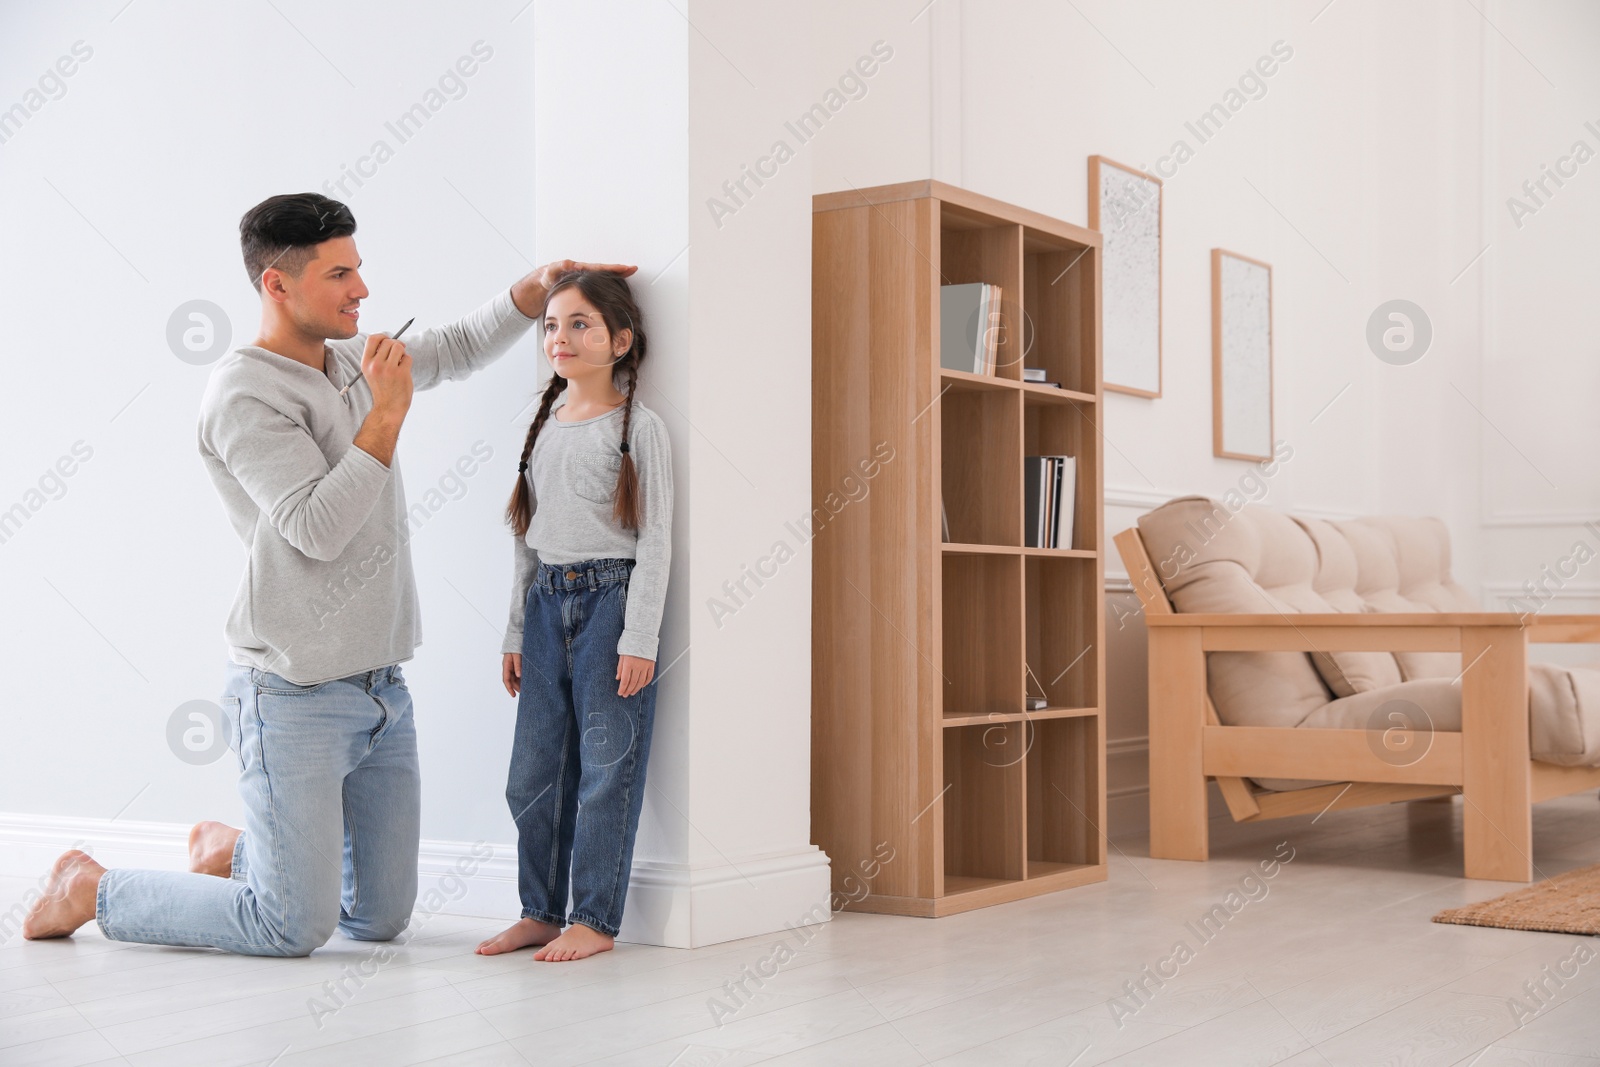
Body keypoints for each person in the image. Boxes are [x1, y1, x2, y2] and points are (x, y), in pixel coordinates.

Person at [22, 192, 635, 956]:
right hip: (292, 693)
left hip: (380, 685)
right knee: (290, 927)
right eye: (340, 274)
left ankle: (235, 850)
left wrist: (538, 285)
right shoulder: (244, 393)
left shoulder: (345, 357)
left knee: (378, 917)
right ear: (278, 286)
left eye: (359, 268)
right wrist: (386, 415)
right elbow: (316, 529)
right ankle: (91, 884)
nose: (362, 290)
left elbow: (450, 346)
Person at [475, 270, 672, 962]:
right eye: (552, 325)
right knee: (531, 772)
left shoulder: (638, 430)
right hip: (543, 607)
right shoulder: (542, 430)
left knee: (605, 766)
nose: (561, 337)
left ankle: (592, 916)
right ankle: (540, 908)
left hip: (610, 607)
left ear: (620, 341)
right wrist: (513, 634)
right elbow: (524, 545)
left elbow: (657, 541)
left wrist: (639, 637)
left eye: (580, 323)